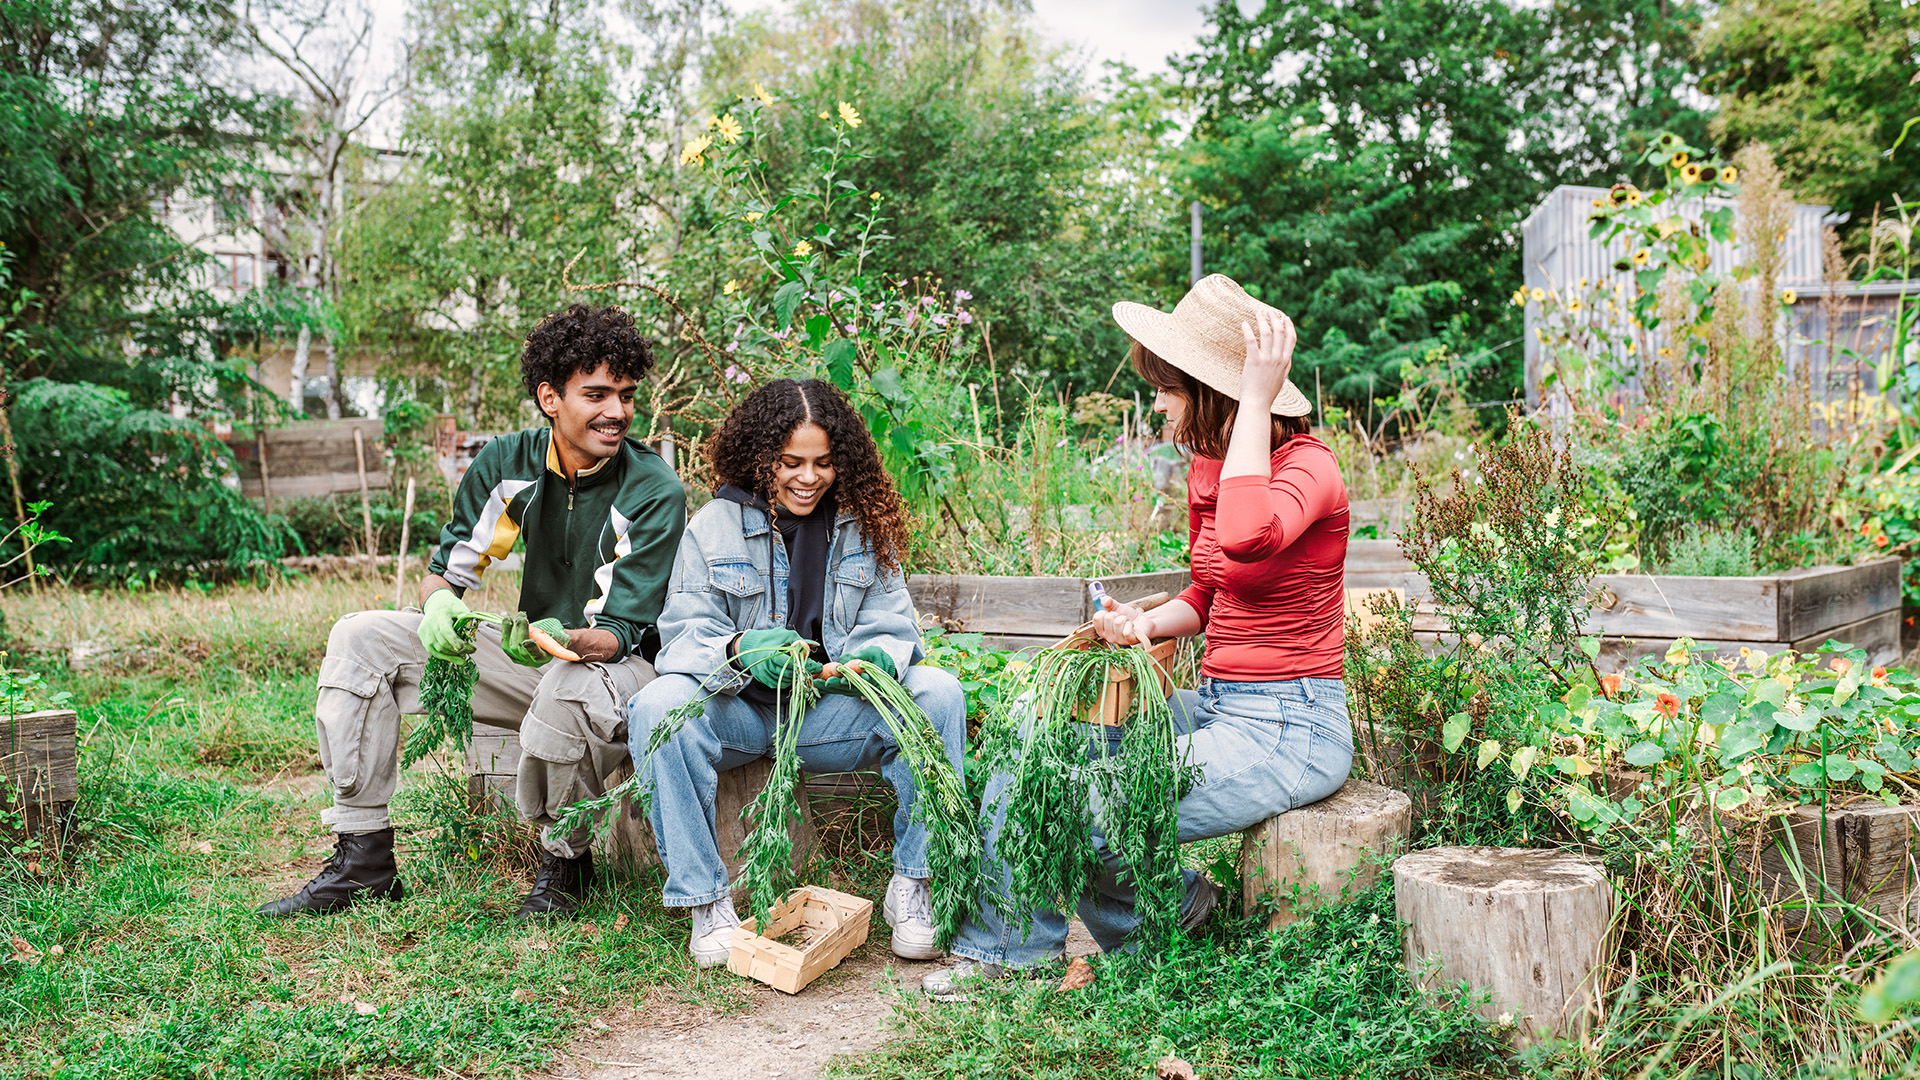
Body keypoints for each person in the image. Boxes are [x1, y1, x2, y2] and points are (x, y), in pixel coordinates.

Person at [924, 273, 1354, 997]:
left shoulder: (1310, 467)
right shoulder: (1212, 466)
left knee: (1083, 800)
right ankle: (1018, 949)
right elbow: (1211, 590)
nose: (1155, 405)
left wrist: (1254, 396)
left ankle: (1161, 924)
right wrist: (1142, 623)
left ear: (1214, 392)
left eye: (1169, 389)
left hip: (1291, 724)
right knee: (1030, 738)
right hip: (1219, 703)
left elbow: (1250, 538)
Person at [259, 303, 687, 920]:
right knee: (362, 637)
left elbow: (620, 634)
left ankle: (567, 865)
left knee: (571, 682)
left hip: (622, 679)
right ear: (550, 398)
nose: (616, 412)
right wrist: (436, 604)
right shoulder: (506, 465)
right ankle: (364, 859)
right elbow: (453, 569)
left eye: (625, 395)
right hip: (535, 658)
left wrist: (556, 636)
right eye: (595, 394)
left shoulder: (652, 489)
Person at [628, 378, 967, 968]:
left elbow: (893, 622)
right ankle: (708, 906)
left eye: (824, 463)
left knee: (937, 692)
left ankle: (914, 884)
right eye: (791, 463)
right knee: (657, 707)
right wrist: (740, 648)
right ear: (762, 456)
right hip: (741, 715)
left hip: (826, 718)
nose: (808, 478)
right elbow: (681, 638)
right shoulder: (713, 527)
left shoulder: (863, 525)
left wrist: (875, 659)